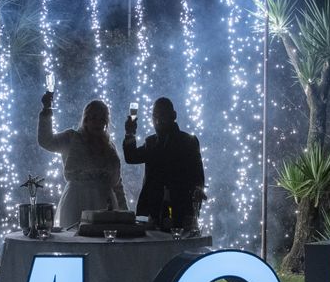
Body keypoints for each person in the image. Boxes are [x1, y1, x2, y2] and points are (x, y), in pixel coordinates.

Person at [38, 92, 128, 228]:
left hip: (106, 204)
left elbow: (117, 184)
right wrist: (46, 111)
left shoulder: (110, 148)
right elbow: (46, 141)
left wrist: (125, 213)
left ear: (106, 121)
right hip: (77, 202)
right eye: (93, 118)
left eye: (102, 118)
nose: (98, 122)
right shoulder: (72, 138)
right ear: (86, 119)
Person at [123, 97, 205, 230]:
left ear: (173, 115)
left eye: (162, 115)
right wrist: (130, 133)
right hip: (153, 209)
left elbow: (198, 174)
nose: (157, 120)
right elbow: (131, 157)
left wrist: (198, 189)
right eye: (154, 116)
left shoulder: (188, 141)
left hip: (180, 207)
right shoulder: (151, 142)